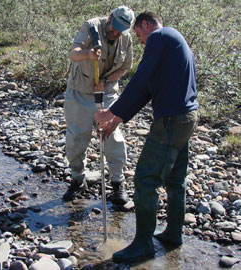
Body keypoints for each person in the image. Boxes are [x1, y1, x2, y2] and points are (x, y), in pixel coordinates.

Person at [95, 11, 199, 263]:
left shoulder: (160, 36)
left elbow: (140, 79)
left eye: (139, 34)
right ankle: (173, 235)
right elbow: (149, 88)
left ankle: (143, 245)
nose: (141, 41)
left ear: (145, 24)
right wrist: (117, 118)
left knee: (144, 179)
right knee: (175, 178)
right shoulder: (174, 40)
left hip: (171, 121)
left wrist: (111, 110)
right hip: (187, 117)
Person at [63, 6, 135, 207]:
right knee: (77, 137)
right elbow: (73, 54)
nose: (116, 32)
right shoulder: (91, 26)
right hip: (80, 92)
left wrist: (106, 81)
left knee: (112, 135)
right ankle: (78, 179)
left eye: (121, 30)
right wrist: (88, 54)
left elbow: (124, 67)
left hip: (107, 93)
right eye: (114, 27)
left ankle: (117, 182)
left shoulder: (125, 37)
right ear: (109, 17)